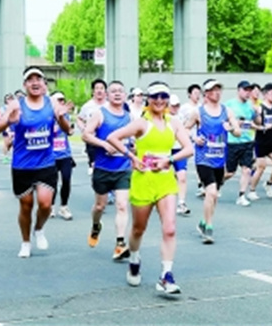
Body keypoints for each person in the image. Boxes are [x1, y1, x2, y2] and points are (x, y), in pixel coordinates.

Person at [107, 81, 194, 295]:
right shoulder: (141, 123)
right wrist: (132, 157)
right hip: (143, 181)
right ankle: (134, 258)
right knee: (139, 228)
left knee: (170, 228)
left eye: (164, 96)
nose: (160, 100)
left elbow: (189, 148)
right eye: (155, 96)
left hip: (165, 182)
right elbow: (113, 138)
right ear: (148, 99)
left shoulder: (174, 122)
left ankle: (166, 275)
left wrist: (169, 160)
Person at [0, 66, 72, 258]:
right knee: (26, 205)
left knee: (45, 204)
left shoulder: (52, 103)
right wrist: (10, 120)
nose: (35, 82)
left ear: (44, 83)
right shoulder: (17, 105)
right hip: (22, 164)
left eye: (39, 79)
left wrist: (61, 117)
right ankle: (25, 242)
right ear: (25, 84)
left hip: (46, 162)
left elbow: (68, 130)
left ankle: (39, 229)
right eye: (31, 79)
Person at [82, 80, 135, 261]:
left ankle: (120, 244)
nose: (117, 94)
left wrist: (134, 150)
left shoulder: (130, 117)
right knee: (100, 206)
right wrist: (104, 144)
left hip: (123, 168)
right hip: (103, 168)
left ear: (125, 95)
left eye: (120, 91)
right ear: (107, 95)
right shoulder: (100, 114)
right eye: (113, 91)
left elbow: (133, 140)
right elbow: (86, 134)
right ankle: (96, 225)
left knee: (122, 205)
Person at [184, 79, 241, 244]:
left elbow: (238, 131)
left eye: (218, 89)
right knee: (211, 192)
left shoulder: (227, 111)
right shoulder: (198, 112)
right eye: (213, 90)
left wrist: (232, 129)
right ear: (206, 93)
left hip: (219, 159)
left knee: (214, 196)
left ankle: (203, 222)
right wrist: (194, 138)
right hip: (203, 159)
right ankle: (208, 228)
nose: (216, 92)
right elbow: (185, 129)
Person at [225, 80, 260, 206]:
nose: (248, 93)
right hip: (233, 142)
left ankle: (241, 196)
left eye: (249, 90)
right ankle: (215, 183)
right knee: (230, 172)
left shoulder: (250, 106)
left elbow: (258, 122)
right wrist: (233, 124)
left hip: (247, 141)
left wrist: (257, 113)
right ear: (238, 90)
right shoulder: (229, 105)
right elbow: (222, 121)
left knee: (247, 170)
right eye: (245, 90)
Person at [250, 83, 272, 199]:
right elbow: (253, 123)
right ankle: (252, 190)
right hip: (261, 141)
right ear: (265, 94)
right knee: (261, 167)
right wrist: (262, 127)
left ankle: (269, 183)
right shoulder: (259, 108)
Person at [50, 91, 75, 220]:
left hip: (65, 154)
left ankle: (64, 207)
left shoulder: (65, 116)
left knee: (66, 180)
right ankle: (51, 206)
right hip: (50, 155)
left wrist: (61, 117)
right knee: (52, 182)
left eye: (63, 99)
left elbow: (69, 131)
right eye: (59, 99)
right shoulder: (46, 115)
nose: (62, 102)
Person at [77, 79, 108, 176]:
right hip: (92, 140)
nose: (99, 91)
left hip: (107, 139)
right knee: (95, 166)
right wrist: (83, 129)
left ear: (105, 91)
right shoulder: (87, 106)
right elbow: (79, 118)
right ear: (93, 91)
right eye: (97, 88)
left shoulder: (109, 105)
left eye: (101, 88)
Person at [168, 94, 191, 215]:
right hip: (166, 150)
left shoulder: (181, 117)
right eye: (173, 106)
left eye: (177, 105)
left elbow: (187, 130)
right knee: (164, 177)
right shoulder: (162, 117)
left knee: (182, 176)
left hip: (179, 150)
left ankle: (181, 203)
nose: (175, 108)